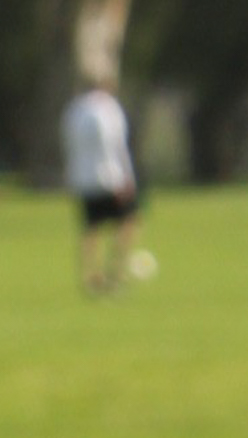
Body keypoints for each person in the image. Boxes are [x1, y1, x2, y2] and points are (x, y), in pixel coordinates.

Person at [62, 81, 151, 292]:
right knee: (129, 221)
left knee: (91, 228)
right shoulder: (109, 108)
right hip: (110, 176)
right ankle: (116, 272)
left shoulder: (74, 110)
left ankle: (91, 277)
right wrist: (126, 176)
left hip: (83, 177)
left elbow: (69, 143)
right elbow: (115, 144)